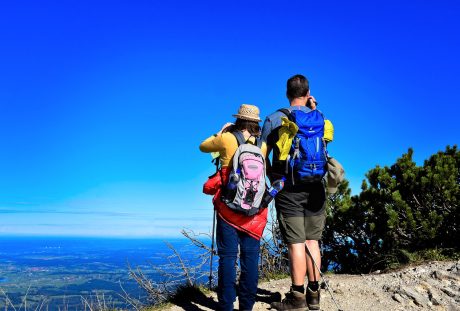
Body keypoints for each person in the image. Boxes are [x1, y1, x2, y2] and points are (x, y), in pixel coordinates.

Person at [261, 74, 333, 310]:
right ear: (308, 92)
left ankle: (297, 298)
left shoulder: (274, 119)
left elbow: (261, 155)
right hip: (316, 190)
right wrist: (313, 109)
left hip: (289, 188)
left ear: (287, 93)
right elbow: (324, 146)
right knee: (313, 241)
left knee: (296, 243)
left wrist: (271, 177)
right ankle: (314, 295)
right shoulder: (322, 119)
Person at [199, 104, 268, 311]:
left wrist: (220, 131)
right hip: (254, 213)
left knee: (228, 259)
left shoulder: (227, 138)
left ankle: (226, 306)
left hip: (228, 209)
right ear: (256, 123)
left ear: (238, 120)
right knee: (250, 260)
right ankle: (246, 306)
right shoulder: (262, 145)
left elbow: (203, 146)